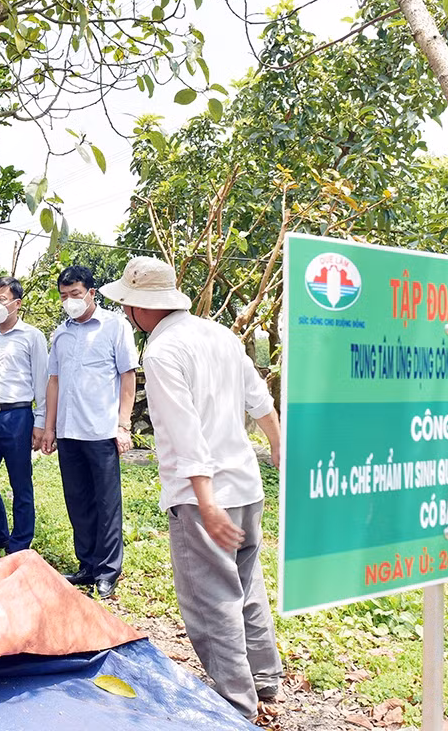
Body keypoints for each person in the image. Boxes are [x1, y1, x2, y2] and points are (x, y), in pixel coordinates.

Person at [99, 256, 284, 719]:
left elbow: (185, 436)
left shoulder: (162, 353)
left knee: (212, 602)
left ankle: (235, 705)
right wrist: (278, 447)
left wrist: (206, 501)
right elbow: (260, 400)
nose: (126, 313)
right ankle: (265, 680)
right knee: (247, 586)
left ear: (144, 307)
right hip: (246, 486)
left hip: (205, 500)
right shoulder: (218, 334)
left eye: (128, 305)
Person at [41, 265, 138, 598]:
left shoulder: (115, 326)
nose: (70, 301)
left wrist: (123, 424)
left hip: (101, 430)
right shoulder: (61, 333)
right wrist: (49, 427)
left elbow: (128, 377)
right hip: (68, 431)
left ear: (91, 294)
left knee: (106, 502)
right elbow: (53, 382)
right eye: (64, 296)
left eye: (76, 294)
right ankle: (87, 564)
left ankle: (108, 571)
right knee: (78, 500)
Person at [0, 276, 48, 553]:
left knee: (20, 481)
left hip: (17, 416)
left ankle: (20, 542)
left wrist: (40, 422)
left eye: (1, 299)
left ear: (17, 303)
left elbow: (42, 382)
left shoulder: (32, 337)